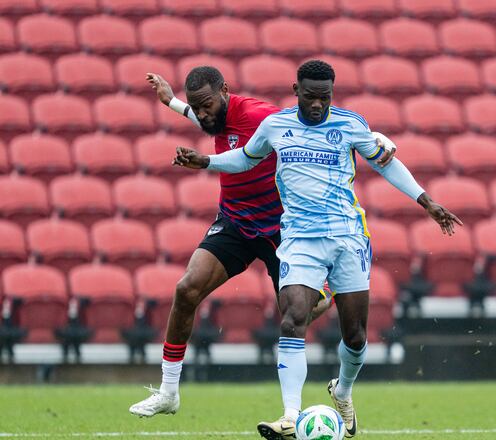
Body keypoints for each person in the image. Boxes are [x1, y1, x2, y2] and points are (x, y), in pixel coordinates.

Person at [172, 59, 462, 440]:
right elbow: (246, 157)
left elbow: (387, 166)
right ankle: (291, 415)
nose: (317, 105)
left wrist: (427, 202)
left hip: (347, 237)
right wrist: (208, 161)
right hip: (299, 240)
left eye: (324, 98)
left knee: (355, 335)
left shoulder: (350, 125)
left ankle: (342, 390)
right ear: (296, 92)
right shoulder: (276, 126)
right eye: (310, 97)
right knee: (293, 318)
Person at [129, 67, 397, 418]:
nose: (204, 113)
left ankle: (326, 293)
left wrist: (375, 137)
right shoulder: (213, 115)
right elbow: (205, 119)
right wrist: (174, 103)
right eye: (198, 107)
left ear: (225, 91)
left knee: (301, 312)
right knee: (186, 289)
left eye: (207, 104)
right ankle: (168, 392)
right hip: (235, 222)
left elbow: (310, 122)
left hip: (280, 228)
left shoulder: (260, 116)